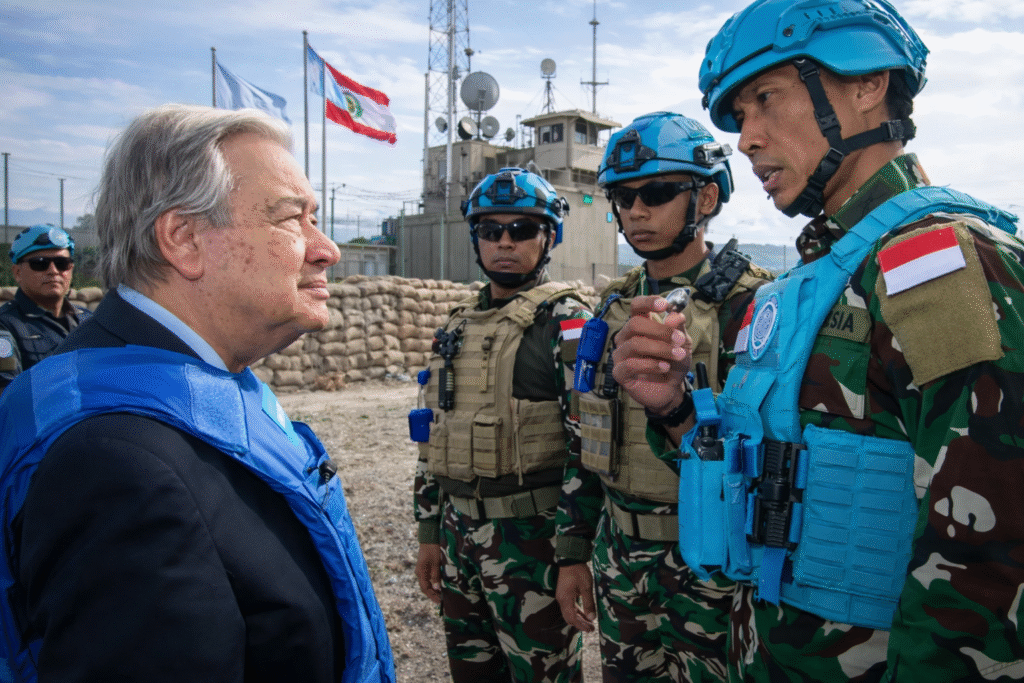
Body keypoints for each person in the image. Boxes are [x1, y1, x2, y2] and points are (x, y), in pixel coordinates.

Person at [612, 0, 1024, 680]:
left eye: (765, 99)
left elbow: (994, 561)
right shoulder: (811, 284)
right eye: (740, 115)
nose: (746, 139)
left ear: (866, 85)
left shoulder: (937, 265)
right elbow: (773, 473)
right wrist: (675, 409)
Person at [0, 104, 395, 683]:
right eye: (293, 218)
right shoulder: (117, 465)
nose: (326, 249)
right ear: (183, 239)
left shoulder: (194, 382)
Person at [553, 112, 771, 682]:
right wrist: (574, 550)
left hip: (714, 567)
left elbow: (769, 456)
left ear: (705, 198)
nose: (636, 211)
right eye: (623, 197)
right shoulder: (613, 307)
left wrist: (680, 408)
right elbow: (589, 434)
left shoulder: (755, 306)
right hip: (620, 560)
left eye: (656, 192)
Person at [413, 167, 592, 682]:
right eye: (491, 231)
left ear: (549, 237)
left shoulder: (567, 324)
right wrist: (430, 531)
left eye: (522, 230)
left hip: (531, 544)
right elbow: (431, 434)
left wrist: (575, 554)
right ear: (476, 239)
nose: (505, 242)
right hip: (457, 538)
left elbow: (589, 448)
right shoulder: (456, 324)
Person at [0, 224, 92, 391]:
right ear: (17, 273)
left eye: (62, 263)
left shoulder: (88, 320)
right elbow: (7, 396)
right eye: (40, 263)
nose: (53, 271)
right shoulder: (5, 325)